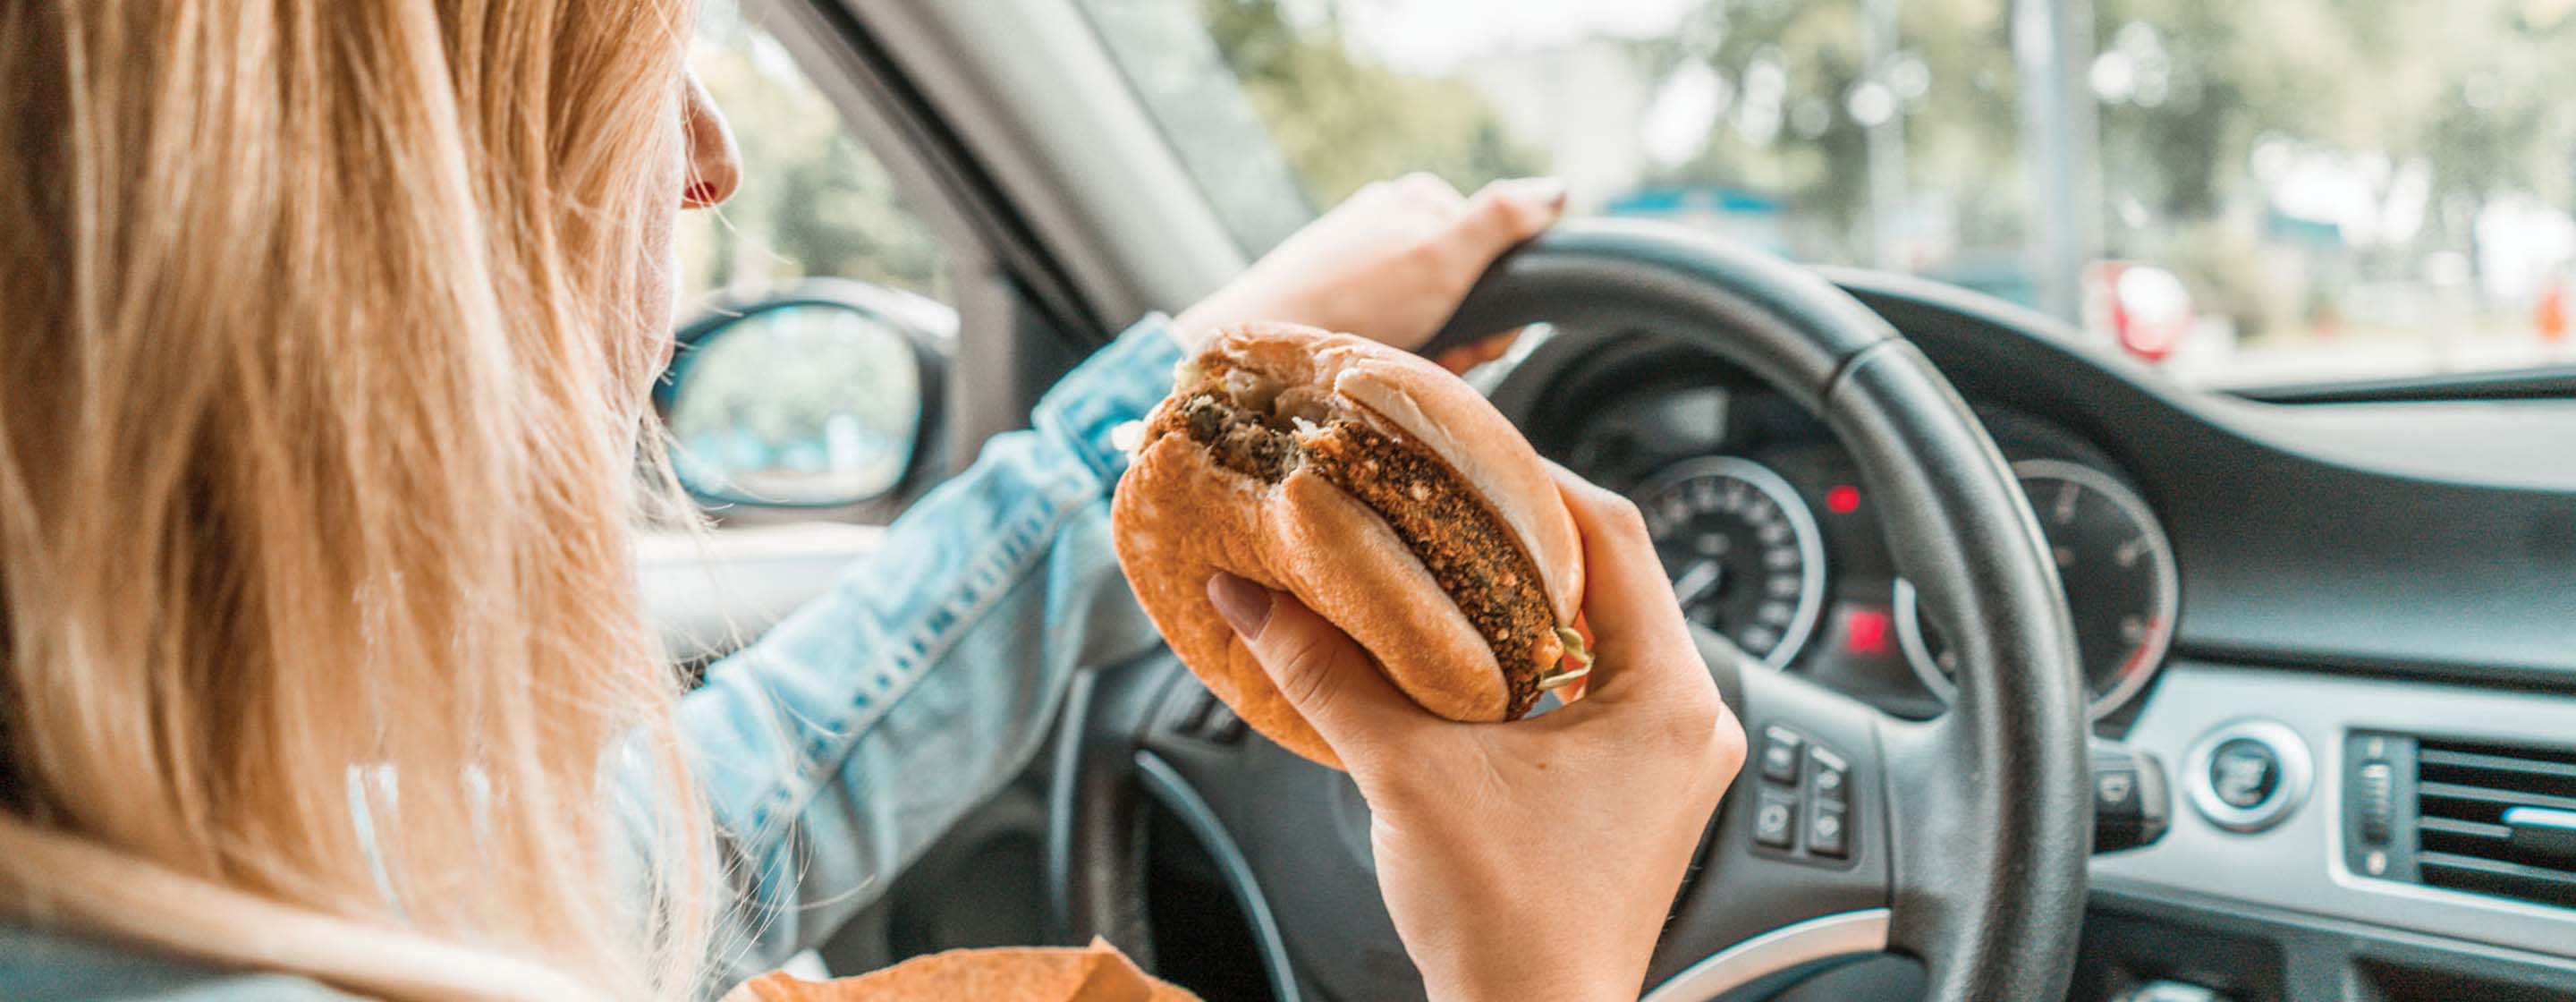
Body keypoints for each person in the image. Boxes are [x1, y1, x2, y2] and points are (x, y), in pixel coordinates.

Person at [0, 4, 1746, 1000]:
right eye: (631, 52)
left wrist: (1196, 369)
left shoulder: (153, 873)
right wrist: (1546, 968)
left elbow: (702, 816)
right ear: (336, 195)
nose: (707, 158)